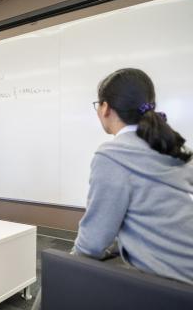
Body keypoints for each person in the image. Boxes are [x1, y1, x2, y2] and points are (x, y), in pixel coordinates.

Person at [73, 68, 193, 284]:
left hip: (174, 287)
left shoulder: (112, 155)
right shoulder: (171, 146)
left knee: (53, 284)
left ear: (105, 107)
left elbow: (91, 244)